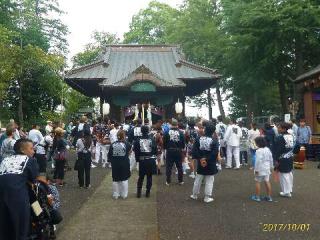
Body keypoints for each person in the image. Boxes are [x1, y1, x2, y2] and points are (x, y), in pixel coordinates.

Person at [0, 139, 39, 240]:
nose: (33, 151)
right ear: (22, 150)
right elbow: (34, 179)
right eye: (31, 149)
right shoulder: (30, 160)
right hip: (17, 196)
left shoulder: (5, 159)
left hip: (2, 194)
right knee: (21, 228)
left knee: (5, 226)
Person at [190, 123, 220, 203]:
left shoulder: (198, 138)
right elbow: (215, 153)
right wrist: (206, 159)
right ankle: (207, 197)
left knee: (198, 178)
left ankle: (194, 195)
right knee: (209, 180)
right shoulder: (214, 141)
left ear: (205, 130)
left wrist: (201, 159)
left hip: (200, 162)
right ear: (213, 131)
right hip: (210, 163)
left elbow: (194, 150)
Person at [274, 123, 298, 198]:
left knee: (284, 174)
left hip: (282, 158)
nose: (278, 129)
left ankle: (286, 192)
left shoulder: (280, 137)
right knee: (289, 173)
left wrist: (276, 159)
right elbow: (297, 146)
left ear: (284, 129)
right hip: (290, 156)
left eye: (279, 128)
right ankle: (289, 189)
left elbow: (278, 150)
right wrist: (294, 153)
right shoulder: (292, 135)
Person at [134, 125, 157, 198]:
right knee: (149, 177)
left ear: (141, 131)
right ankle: (147, 192)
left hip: (142, 160)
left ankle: (139, 192)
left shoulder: (138, 140)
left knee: (141, 176)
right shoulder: (152, 139)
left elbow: (136, 151)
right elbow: (155, 150)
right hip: (150, 159)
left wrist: (137, 160)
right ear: (148, 131)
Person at [108, 130, 132, 199]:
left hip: (115, 163)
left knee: (115, 179)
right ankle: (124, 194)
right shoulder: (127, 144)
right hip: (124, 163)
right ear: (124, 136)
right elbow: (130, 152)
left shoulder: (112, 144)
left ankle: (116, 194)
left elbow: (110, 154)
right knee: (124, 179)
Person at [251, 137, 274, 202]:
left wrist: (256, 170)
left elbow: (258, 161)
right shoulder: (267, 149)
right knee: (267, 181)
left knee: (258, 182)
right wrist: (271, 166)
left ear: (258, 143)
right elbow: (271, 158)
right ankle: (269, 197)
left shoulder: (258, 151)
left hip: (260, 168)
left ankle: (257, 197)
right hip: (267, 168)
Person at [163, 118, 185, 185]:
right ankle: (180, 180)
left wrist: (166, 148)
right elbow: (183, 143)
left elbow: (164, 142)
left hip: (169, 150)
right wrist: (181, 148)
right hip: (178, 151)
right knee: (179, 166)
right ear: (177, 124)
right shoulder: (181, 133)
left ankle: (168, 181)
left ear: (171, 124)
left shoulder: (167, 132)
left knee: (169, 166)